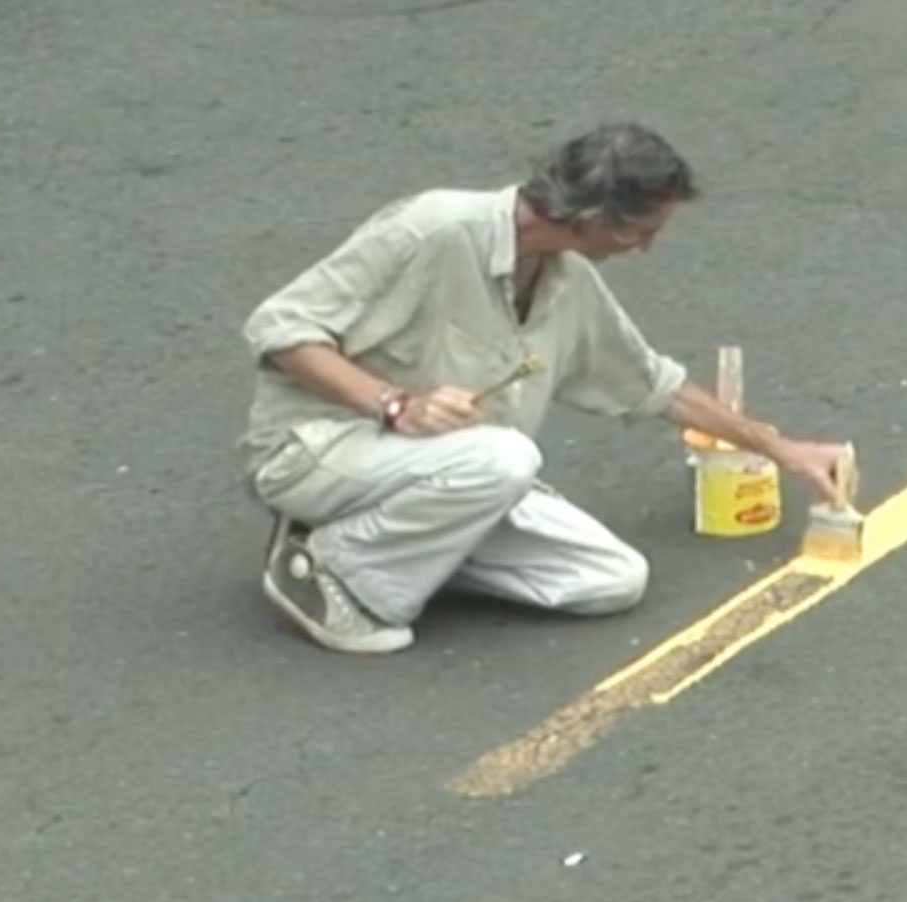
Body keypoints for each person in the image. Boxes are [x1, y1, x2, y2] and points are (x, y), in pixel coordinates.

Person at [236, 121, 849, 654]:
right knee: (506, 458)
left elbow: (652, 385)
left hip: (452, 470)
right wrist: (394, 405)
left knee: (611, 579)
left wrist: (780, 448)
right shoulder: (433, 230)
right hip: (317, 451)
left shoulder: (567, 280)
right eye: (643, 231)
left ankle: (413, 545)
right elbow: (280, 328)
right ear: (591, 220)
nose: (650, 248)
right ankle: (327, 570)